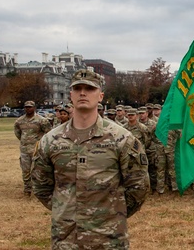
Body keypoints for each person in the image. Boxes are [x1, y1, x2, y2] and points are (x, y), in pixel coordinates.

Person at [31, 69, 150, 249]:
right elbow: (41, 186)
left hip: (109, 239)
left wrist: (112, 214)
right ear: (70, 95)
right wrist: (66, 209)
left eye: (90, 89)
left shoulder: (121, 139)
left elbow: (138, 187)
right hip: (66, 238)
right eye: (77, 88)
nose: (83, 93)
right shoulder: (51, 140)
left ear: (100, 96)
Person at [14, 100, 51, 197]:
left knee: (39, 172)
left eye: (30, 107)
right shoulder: (19, 121)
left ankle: (41, 191)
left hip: (37, 151)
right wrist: (25, 142)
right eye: (26, 107)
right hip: (25, 150)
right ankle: (27, 190)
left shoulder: (42, 120)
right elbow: (18, 133)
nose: (28, 109)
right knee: (25, 171)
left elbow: (48, 133)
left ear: (34, 108)